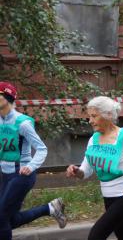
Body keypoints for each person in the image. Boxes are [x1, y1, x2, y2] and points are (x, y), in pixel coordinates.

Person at [66, 96, 123, 240]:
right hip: (108, 197)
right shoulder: (93, 139)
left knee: (95, 235)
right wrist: (76, 171)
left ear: (108, 115)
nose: (90, 121)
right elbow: (86, 171)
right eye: (89, 116)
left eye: (94, 116)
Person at [0, 82, 66, 240]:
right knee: (10, 219)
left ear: (7, 98)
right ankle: (50, 208)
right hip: (6, 175)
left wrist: (31, 166)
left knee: (1, 219)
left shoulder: (22, 123)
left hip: (22, 176)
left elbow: (42, 149)